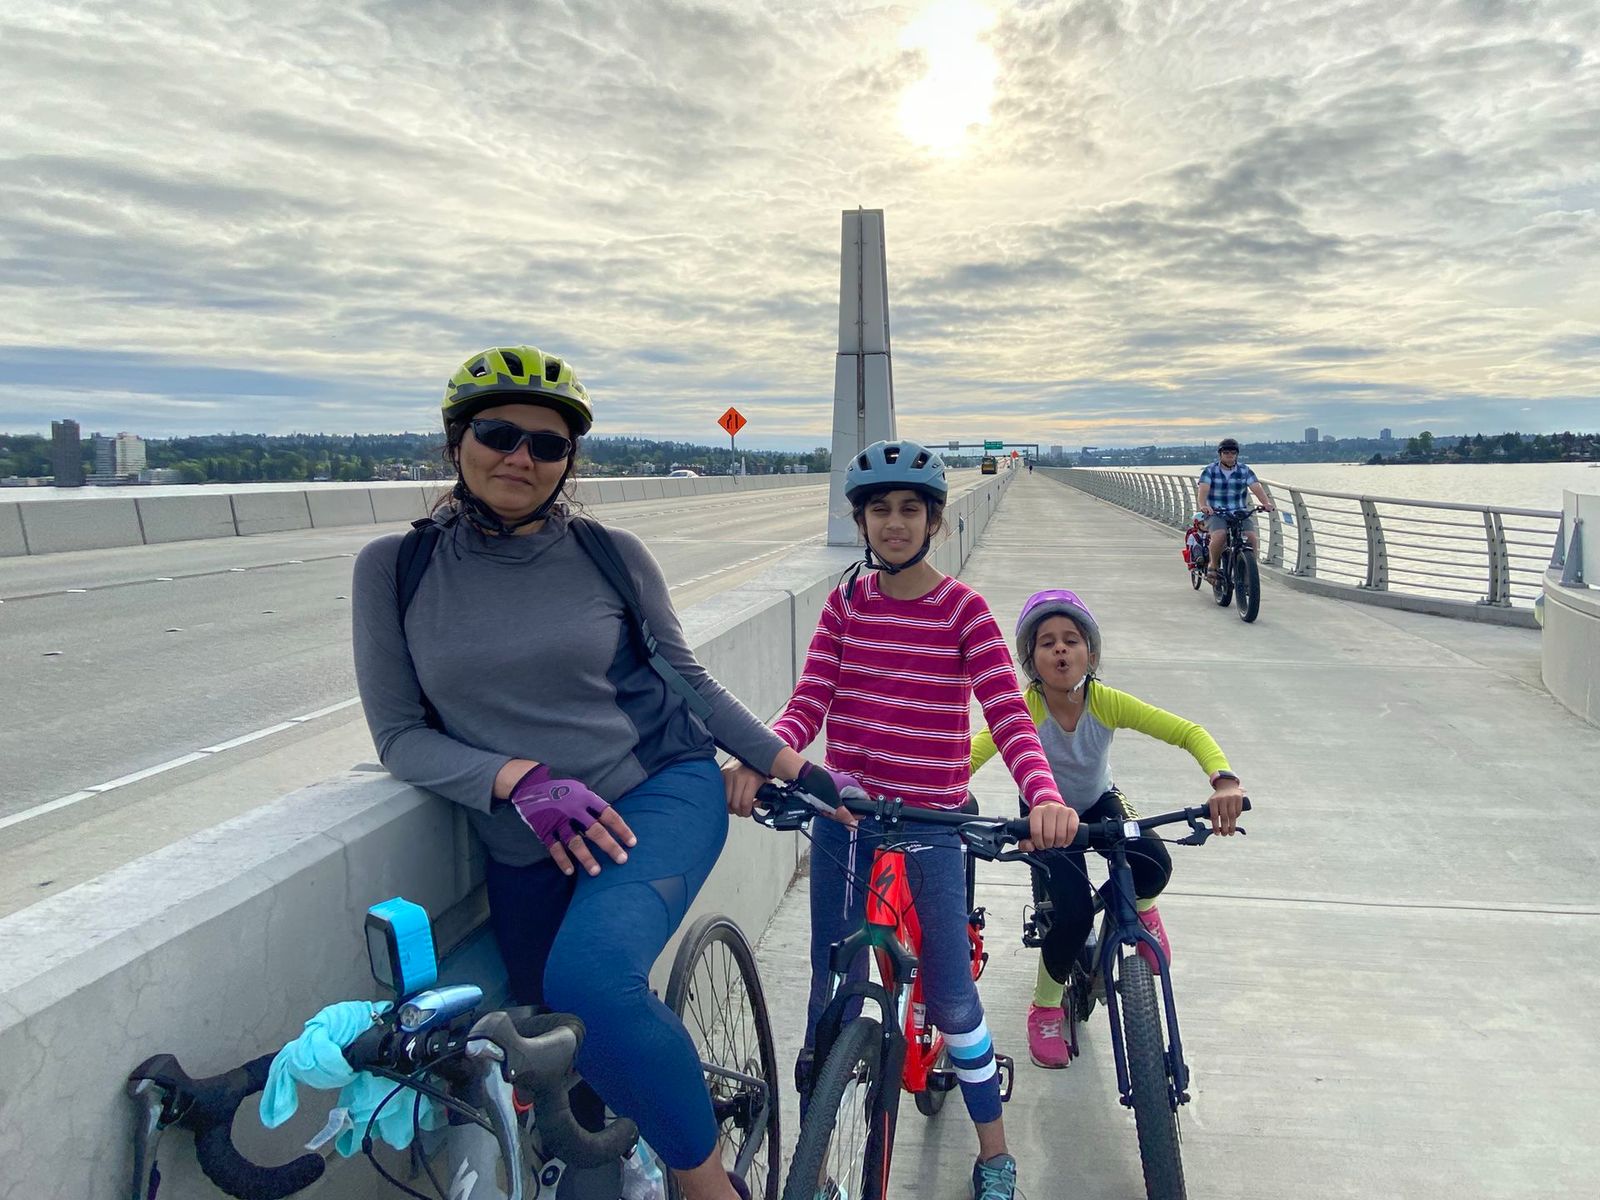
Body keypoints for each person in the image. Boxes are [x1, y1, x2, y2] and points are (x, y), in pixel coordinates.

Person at [351, 346, 785, 1200]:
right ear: (456, 442)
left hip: (654, 792)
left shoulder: (608, 553)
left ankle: (710, 1188)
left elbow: (687, 681)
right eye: (498, 434)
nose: (521, 456)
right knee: (562, 1050)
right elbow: (399, 737)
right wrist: (516, 777)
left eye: (547, 445)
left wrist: (790, 764)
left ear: (568, 462)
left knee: (588, 981)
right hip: (527, 841)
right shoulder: (395, 569)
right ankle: (622, 1160)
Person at [724, 439, 1077, 1200]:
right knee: (830, 987)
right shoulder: (845, 606)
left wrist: (1043, 795)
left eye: (909, 509)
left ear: (935, 521)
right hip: (846, 819)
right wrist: (760, 758)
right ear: (861, 522)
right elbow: (807, 704)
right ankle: (818, 1165)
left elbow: (1009, 716)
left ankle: (994, 1155)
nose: (893, 522)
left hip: (932, 823)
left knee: (950, 995)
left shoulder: (964, 610)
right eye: (878, 509)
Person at [969, 589, 1247, 1069]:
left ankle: (1140, 909)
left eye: (1072, 640)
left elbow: (1188, 732)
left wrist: (1224, 780)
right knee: (1073, 916)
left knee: (1153, 863)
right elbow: (970, 756)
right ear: (1031, 662)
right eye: (1047, 642)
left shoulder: (1106, 702)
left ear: (1091, 655)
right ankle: (1045, 1007)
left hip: (1100, 801)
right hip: (1045, 814)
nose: (1060, 648)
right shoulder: (1023, 710)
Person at [1196, 437, 1274, 582]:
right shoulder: (1210, 470)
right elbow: (1203, 490)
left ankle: (1251, 570)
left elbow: (1256, 487)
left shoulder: (1245, 470)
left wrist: (1266, 503)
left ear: (1237, 454)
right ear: (1220, 454)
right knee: (1219, 535)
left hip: (1239, 512)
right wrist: (1203, 505)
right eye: (1226, 453)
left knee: (1251, 537)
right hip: (1216, 512)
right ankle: (1213, 565)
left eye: (1233, 452)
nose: (1229, 455)